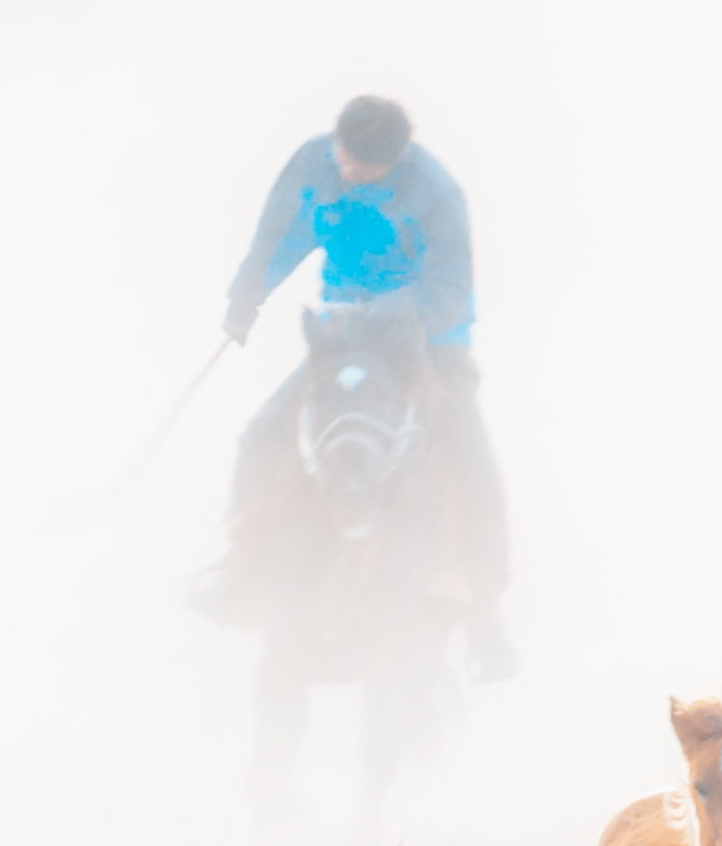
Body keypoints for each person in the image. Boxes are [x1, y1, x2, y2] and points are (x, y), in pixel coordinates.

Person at [207, 93, 512, 677]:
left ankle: (486, 606)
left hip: (428, 342)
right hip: (344, 336)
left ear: (397, 161)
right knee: (261, 433)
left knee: (472, 463)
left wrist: (392, 315)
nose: (350, 172)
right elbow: (282, 232)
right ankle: (238, 567)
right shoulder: (312, 165)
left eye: (366, 168)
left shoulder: (438, 195)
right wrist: (248, 294)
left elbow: (449, 287)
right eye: (346, 158)